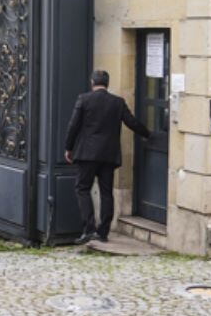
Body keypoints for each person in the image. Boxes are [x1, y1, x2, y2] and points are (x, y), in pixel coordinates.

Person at [63, 70, 151, 244]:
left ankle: (89, 229)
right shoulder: (118, 102)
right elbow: (131, 122)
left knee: (82, 188)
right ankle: (103, 232)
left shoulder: (84, 99)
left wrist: (68, 147)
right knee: (106, 192)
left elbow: (73, 125)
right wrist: (147, 134)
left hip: (87, 153)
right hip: (108, 154)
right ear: (107, 84)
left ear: (92, 83)